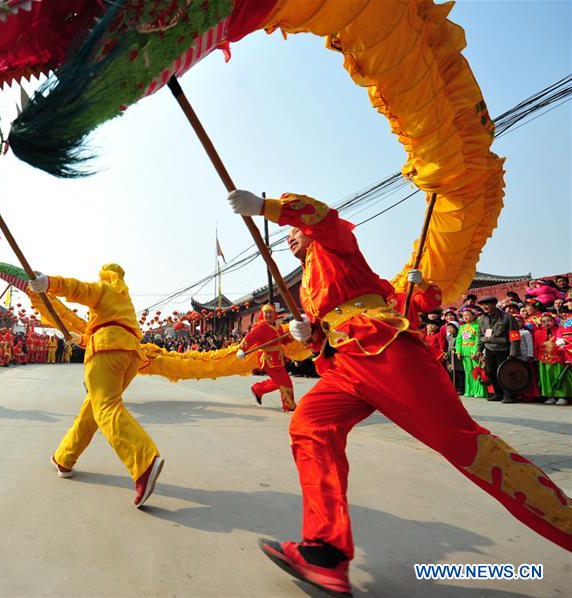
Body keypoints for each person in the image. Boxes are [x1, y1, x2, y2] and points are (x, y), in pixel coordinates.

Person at [227, 189, 571, 594]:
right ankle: (324, 551)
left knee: (462, 444)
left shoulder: (334, 244)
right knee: (310, 426)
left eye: (293, 232)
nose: (289, 238)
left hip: (384, 352)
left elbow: (321, 216)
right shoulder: (308, 282)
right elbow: (330, 322)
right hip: (343, 367)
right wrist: (310, 332)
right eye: (287, 235)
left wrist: (265, 208)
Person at [29, 264, 164, 508]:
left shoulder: (104, 289)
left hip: (107, 351)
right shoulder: (125, 302)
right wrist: (80, 339)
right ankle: (64, 457)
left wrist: (49, 282)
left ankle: (144, 461)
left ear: (105, 276)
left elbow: (78, 289)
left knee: (106, 408)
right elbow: (110, 328)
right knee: (92, 410)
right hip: (130, 355)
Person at [237, 304, 295, 411]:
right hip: (269, 359)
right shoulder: (260, 327)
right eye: (266, 313)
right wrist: (242, 349)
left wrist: (292, 335)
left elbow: (284, 340)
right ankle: (289, 406)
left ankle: (258, 389)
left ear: (274, 314)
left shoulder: (278, 326)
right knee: (286, 382)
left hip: (279, 358)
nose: (268, 315)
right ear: (262, 315)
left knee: (279, 381)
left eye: (270, 312)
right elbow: (250, 337)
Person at [474, 296, 520, 403]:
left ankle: (509, 395)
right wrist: (479, 350)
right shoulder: (482, 319)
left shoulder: (508, 318)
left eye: (487, 304)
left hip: (504, 349)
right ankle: (498, 394)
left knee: (505, 373)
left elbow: (514, 336)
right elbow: (480, 336)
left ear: (494, 304)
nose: (484, 307)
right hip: (489, 349)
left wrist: (513, 353)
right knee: (490, 372)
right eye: (482, 305)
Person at [533, 314, 570, 405]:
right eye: (544, 321)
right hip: (543, 359)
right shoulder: (538, 333)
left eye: (549, 320)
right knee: (547, 378)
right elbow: (535, 346)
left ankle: (563, 396)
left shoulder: (560, 330)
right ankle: (550, 396)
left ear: (555, 321)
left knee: (560, 377)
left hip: (559, 358)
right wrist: (535, 356)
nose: (546, 323)